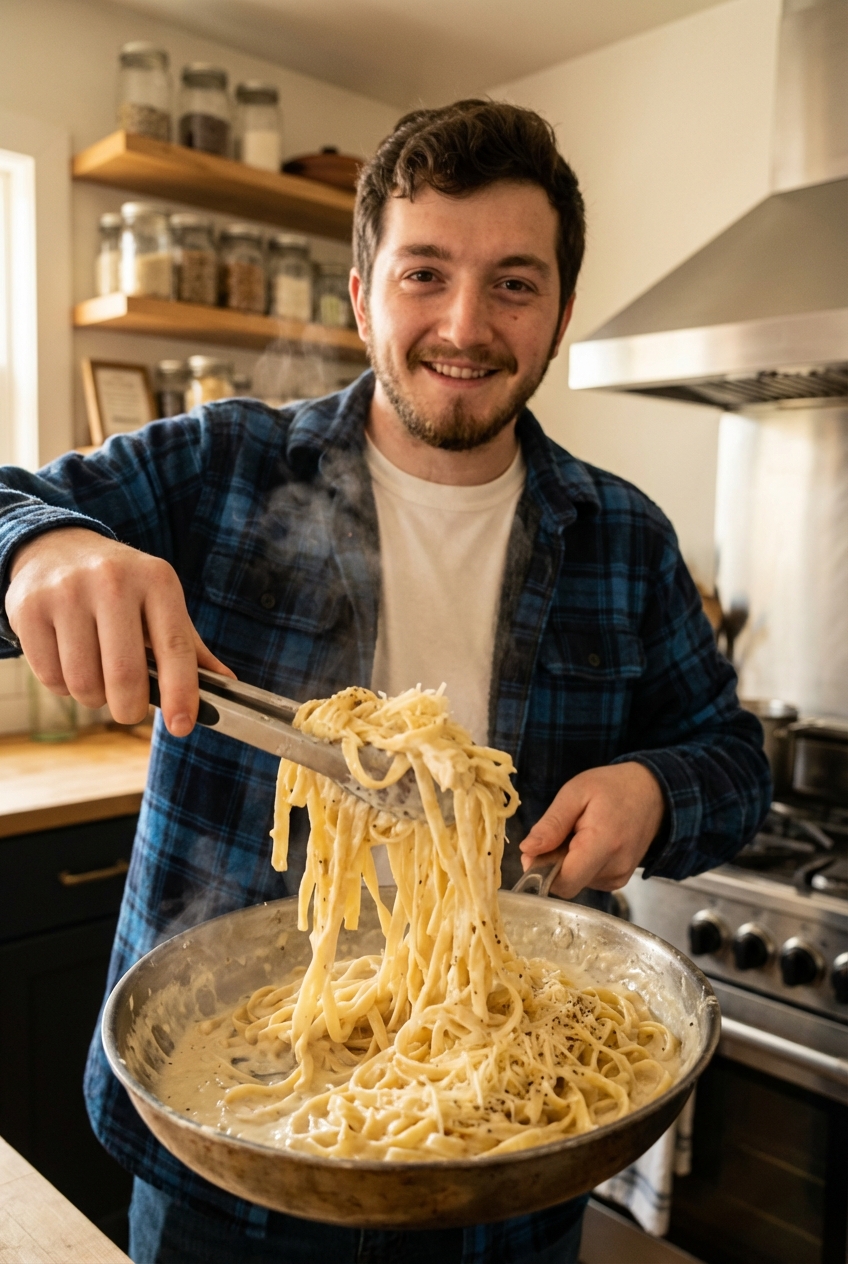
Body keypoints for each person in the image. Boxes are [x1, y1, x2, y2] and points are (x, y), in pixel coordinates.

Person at [0, 100, 770, 1263]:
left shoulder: (623, 537)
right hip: (233, 1160)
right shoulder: (222, 467)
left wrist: (655, 791)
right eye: (424, 274)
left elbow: (731, 758)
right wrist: (41, 549)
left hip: (504, 1163)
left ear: (558, 312)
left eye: (513, 283)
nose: (464, 325)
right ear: (360, 293)